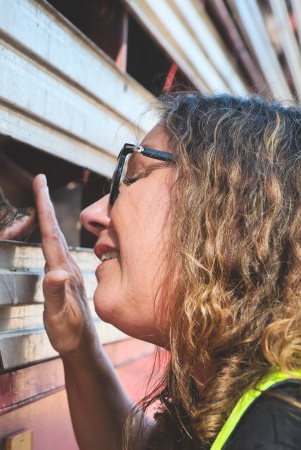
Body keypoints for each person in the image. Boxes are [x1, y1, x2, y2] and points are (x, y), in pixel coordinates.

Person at [32, 93, 300, 449]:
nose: (92, 215)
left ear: (231, 214)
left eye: (135, 176)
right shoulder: (264, 402)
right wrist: (80, 346)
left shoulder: (281, 427)